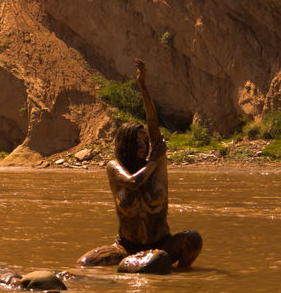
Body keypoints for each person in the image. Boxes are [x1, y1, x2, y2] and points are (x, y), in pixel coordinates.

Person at [78, 59, 203, 271]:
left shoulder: (158, 166)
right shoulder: (114, 168)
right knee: (85, 264)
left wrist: (143, 86)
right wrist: (154, 160)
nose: (143, 146)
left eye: (145, 142)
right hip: (126, 247)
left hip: (162, 243)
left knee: (192, 239)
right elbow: (133, 182)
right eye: (137, 142)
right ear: (125, 145)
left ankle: (181, 273)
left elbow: (153, 124)